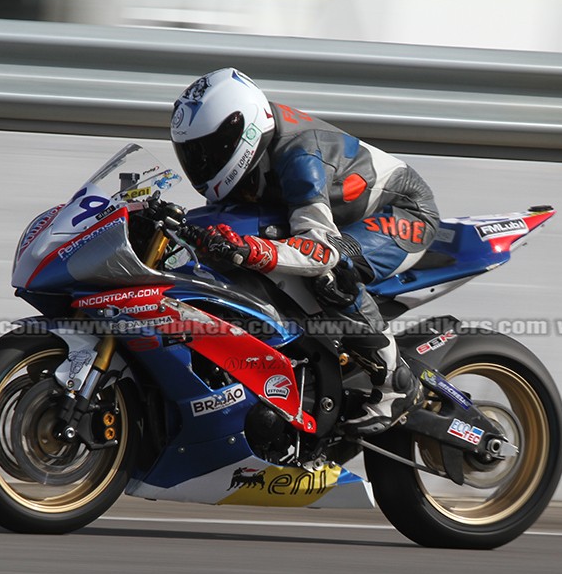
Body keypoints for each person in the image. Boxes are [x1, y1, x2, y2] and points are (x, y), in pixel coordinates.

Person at [170, 67, 441, 436]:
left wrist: (252, 250)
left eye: (209, 150)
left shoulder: (300, 159)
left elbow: (319, 252)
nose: (201, 163)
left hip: (402, 214)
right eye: (192, 153)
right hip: (331, 216)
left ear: (242, 131)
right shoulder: (255, 149)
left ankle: (396, 384)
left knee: (333, 275)